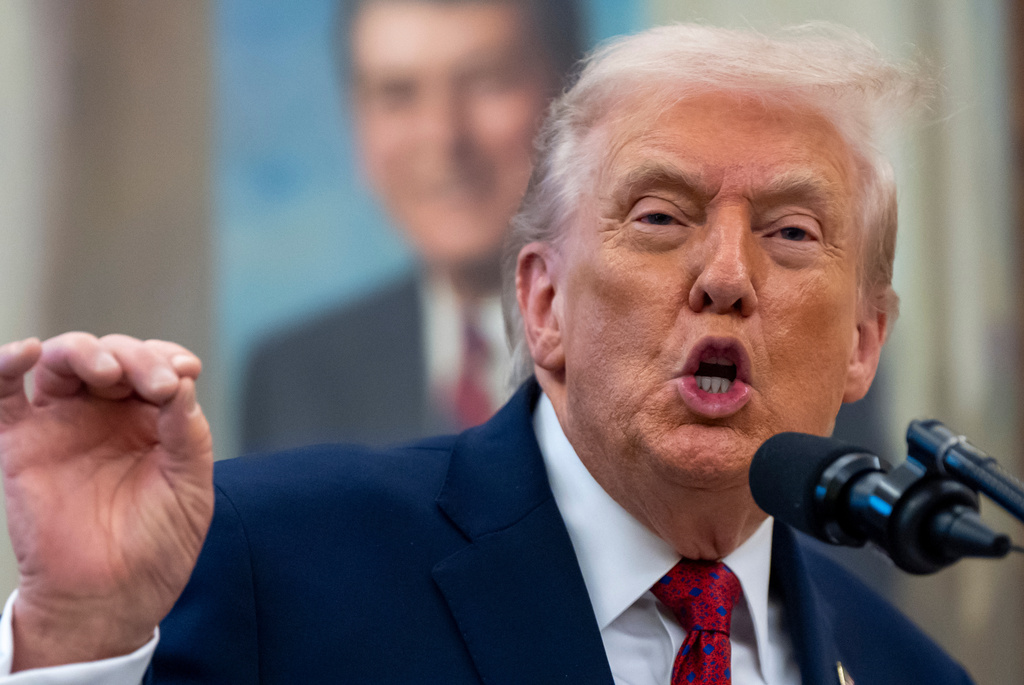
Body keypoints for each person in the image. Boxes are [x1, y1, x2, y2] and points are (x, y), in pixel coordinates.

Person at [0, 22, 974, 685]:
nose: (725, 274)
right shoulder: (272, 557)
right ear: (542, 303)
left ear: (861, 343)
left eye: (792, 233)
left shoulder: (905, 667)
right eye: (661, 215)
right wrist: (84, 641)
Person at [240, 0, 584, 450]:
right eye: (397, 95)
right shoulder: (293, 379)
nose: (443, 136)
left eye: (487, 83)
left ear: (573, 98)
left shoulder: (654, 350)